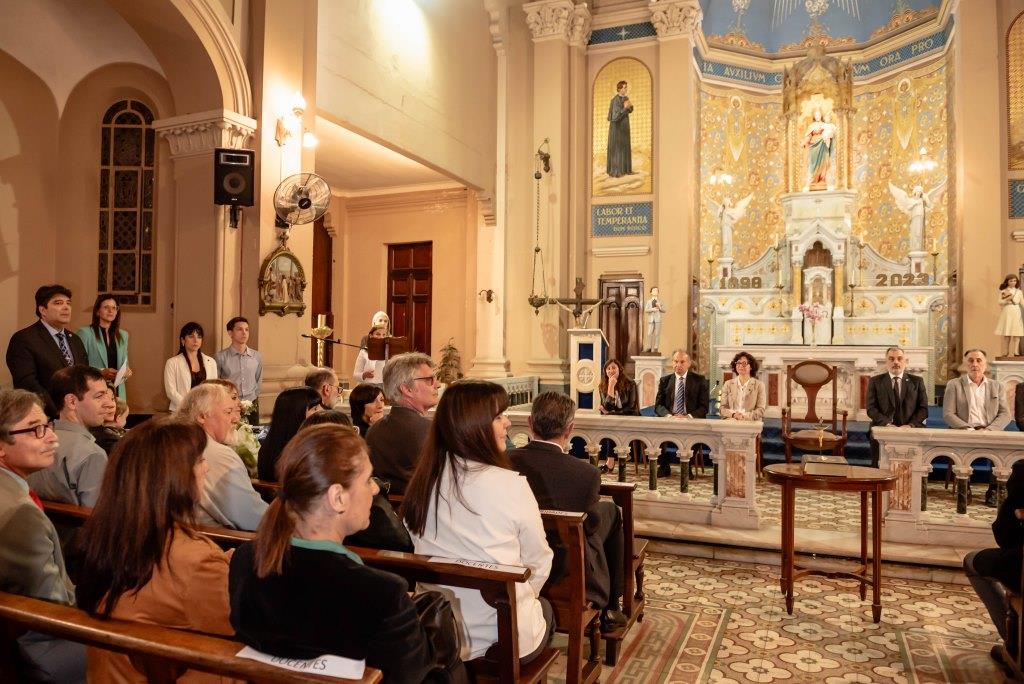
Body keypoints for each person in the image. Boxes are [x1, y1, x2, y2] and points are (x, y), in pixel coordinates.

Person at [229, 424, 435, 682]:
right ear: (337, 497)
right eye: (368, 480)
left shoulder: (247, 560)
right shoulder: (381, 594)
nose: (375, 489)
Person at [72, 419, 235, 683]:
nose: (206, 468)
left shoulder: (105, 537)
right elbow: (235, 628)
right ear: (173, 477)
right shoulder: (196, 560)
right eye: (198, 461)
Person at [403, 380, 554, 663]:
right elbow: (538, 561)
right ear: (472, 427)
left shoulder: (423, 482)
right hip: (499, 634)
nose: (508, 423)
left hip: (439, 630)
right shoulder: (511, 485)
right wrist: (524, 597)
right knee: (545, 609)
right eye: (498, 417)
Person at [509, 392, 627, 633]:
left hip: (518, 555)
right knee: (608, 515)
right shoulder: (586, 473)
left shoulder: (505, 461)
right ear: (570, 428)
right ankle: (612, 607)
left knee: (604, 514)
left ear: (530, 423)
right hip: (567, 564)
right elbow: (591, 526)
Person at [0, 389, 86, 683]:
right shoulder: (20, 514)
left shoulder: (12, 491)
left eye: (48, 426)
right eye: (35, 429)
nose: (52, 438)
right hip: (42, 646)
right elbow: (53, 607)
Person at [178, 383, 268, 530]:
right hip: (224, 539)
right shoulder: (218, 453)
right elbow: (254, 517)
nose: (235, 419)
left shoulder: (179, 442)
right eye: (228, 412)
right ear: (202, 416)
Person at [964, 459, 1024, 675]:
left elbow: (1005, 535)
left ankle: (1014, 644)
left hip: (1020, 562)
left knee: (972, 561)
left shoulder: (1022, 471)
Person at [27, 365, 115, 508]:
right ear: (72, 401)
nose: (109, 403)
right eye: (99, 396)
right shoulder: (92, 454)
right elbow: (95, 516)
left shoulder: (32, 441)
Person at [6, 284, 88, 414]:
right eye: (58, 303)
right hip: (44, 414)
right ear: (43, 310)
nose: (66, 307)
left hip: (77, 413)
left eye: (68, 303)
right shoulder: (24, 339)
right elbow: (27, 383)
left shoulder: (75, 340)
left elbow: (84, 376)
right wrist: (59, 411)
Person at [365, 352, 439, 495]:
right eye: (429, 380)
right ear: (407, 389)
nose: (438, 384)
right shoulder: (430, 430)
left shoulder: (374, 430)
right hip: (420, 506)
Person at [865, 346, 928, 468]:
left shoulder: (917, 381)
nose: (896, 362)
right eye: (891, 359)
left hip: (910, 427)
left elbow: (923, 409)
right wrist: (887, 424)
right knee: (878, 465)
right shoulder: (875, 381)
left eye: (899, 359)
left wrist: (910, 425)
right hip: (883, 427)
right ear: (886, 362)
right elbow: (871, 409)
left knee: (913, 468)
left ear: (905, 361)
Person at [654, 349, 710, 477]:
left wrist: (688, 417)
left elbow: (704, 407)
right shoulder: (665, 380)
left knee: (696, 434)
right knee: (656, 432)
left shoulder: (699, 380)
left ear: (689, 363)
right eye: (675, 361)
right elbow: (658, 406)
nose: (678, 365)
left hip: (690, 420)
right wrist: (669, 416)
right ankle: (664, 465)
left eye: (682, 362)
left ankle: (687, 465)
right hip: (670, 419)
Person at [257, 386, 323, 482]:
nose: (322, 411)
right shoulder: (301, 451)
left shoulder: (269, 445)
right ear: (297, 414)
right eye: (315, 408)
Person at [77, 294, 131, 400]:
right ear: (97, 311)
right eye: (106, 307)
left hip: (117, 390)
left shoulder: (123, 335)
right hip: (93, 389)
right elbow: (78, 365)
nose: (111, 311)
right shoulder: (85, 333)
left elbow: (125, 363)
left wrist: (127, 371)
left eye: (114, 308)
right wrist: (101, 372)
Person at [942, 349, 1010, 431]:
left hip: (990, 432)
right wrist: (968, 429)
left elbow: (1005, 414)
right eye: (971, 361)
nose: (974, 364)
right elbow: (948, 414)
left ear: (985, 364)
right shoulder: (954, 385)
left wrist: (989, 430)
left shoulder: (997, 386)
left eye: (979, 360)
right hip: (963, 431)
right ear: (965, 365)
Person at [164, 322, 218, 412]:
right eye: (191, 336)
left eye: (199, 337)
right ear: (183, 340)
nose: (196, 340)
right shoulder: (172, 362)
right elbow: (171, 391)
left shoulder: (211, 362)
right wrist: (189, 406)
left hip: (205, 410)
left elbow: (214, 388)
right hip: (181, 410)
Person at [597, 359, 638, 472]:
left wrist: (611, 413)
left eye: (614, 368)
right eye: (608, 369)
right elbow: (607, 407)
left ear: (619, 369)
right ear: (605, 371)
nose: (611, 371)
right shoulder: (602, 386)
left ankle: (611, 462)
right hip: (613, 419)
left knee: (613, 425)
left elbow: (631, 406)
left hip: (629, 416)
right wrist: (611, 386)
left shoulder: (630, 383)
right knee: (612, 426)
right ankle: (618, 455)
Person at [215, 316, 263, 407]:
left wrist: (254, 397)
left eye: (247, 330)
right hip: (229, 404)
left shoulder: (256, 356)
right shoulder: (220, 357)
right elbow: (217, 384)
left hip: (251, 403)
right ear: (230, 333)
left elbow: (258, 380)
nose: (244, 333)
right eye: (240, 329)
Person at [719, 351, 767, 422]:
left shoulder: (759, 385)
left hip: (751, 422)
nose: (741, 366)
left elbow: (761, 410)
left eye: (744, 363)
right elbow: (722, 409)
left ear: (751, 367)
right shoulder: (728, 384)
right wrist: (734, 415)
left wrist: (744, 416)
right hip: (731, 421)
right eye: (738, 363)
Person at [802, 108, 837, 190]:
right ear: (814, 116)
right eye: (816, 115)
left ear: (821, 116)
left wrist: (830, 135)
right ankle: (812, 180)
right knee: (812, 164)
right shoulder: (811, 126)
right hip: (814, 146)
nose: (817, 116)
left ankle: (822, 179)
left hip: (823, 145)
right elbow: (808, 136)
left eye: (819, 115)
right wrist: (805, 142)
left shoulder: (825, 125)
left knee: (824, 162)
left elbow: (831, 132)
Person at [606, 80, 633, 178]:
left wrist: (629, 107)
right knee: (618, 148)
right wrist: (625, 108)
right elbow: (615, 116)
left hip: (624, 126)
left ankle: (625, 169)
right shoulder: (615, 100)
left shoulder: (626, 98)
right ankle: (616, 171)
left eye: (626, 87)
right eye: (624, 87)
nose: (626, 89)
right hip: (617, 129)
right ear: (619, 89)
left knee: (625, 146)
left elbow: (630, 109)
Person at [995, 274, 1024, 358]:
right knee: (1007, 333)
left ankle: (1016, 351)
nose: (1013, 282)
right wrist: (1006, 300)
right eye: (1011, 281)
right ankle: (1006, 351)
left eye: (1015, 281)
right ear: (1007, 281)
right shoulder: (1003, 291)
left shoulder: (1019, 292)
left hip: (1016, 311)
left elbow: (1022, 303)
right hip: (1007, 311)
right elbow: (999, 302)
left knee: (1017, 332)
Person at [642, 287, 665, 353]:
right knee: (649, 333)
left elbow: (664, 310)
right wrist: (652, 309)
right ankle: (649, 347)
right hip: (651, 319)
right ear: (651, 292)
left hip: (658, 319)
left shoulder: (660, 301)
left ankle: (656, 348)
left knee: (657, 334)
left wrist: (659, 307)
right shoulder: (649, 301)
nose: (655, 292)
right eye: (654, 290)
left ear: (658, 292)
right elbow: (646, 310)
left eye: (657, 291)